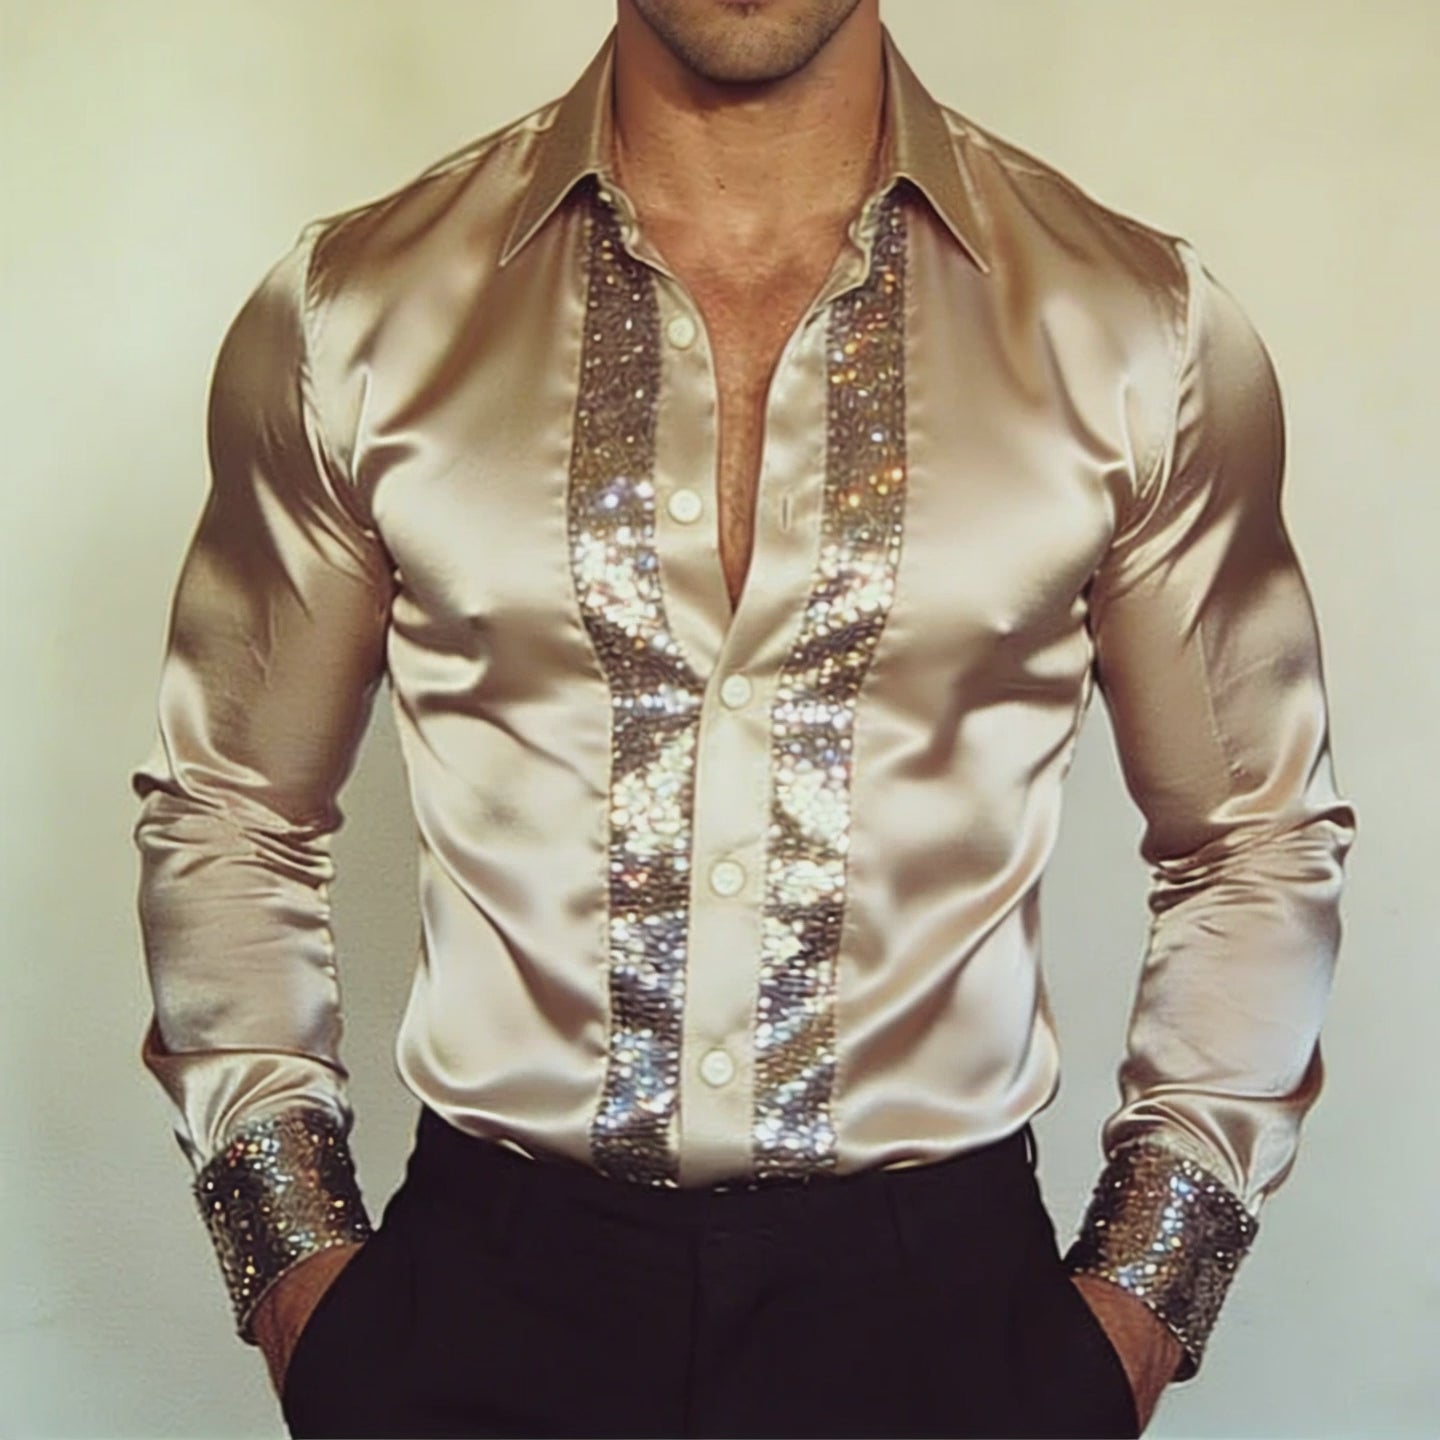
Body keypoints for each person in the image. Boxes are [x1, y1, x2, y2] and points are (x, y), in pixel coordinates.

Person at [131, 2, 1354, 1436]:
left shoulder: (1137, 331)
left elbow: (1253, 837)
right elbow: (231, 809)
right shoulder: (356, 315)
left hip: (945, 1325)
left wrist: (1138, 1305)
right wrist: (302, 1279)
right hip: (483, 1303)